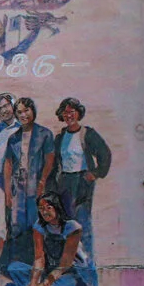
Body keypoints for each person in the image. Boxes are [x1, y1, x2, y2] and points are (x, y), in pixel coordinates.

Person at [15, 192, 97, 286]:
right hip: (51, 271)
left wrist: (44, 285)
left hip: (75, 272)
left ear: (57, 207)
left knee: (63, 285)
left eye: (48, 208)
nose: (44, 212)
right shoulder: (39, 226)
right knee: (15, 268)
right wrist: (33, 283)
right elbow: (39, 258)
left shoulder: (72, 227)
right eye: (41, 208)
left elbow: (65, 264)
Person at [1, 96, 57, 264]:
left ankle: (39, 262)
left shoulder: (44, 134)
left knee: (37, 222)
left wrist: (42, 182)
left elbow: (49, 160)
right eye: (19, 112)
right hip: (18, 186)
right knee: (17, 223)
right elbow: (8, 164)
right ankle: (20, 262)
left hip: (36, 185)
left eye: (26, 110)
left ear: (33, 111)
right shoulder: (14, 138)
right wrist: (7, 192)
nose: (23, 115)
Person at [49, 96, 111, 232]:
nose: (68, 115)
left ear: (78, 113)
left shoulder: (87, 134)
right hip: (65, 181)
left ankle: (87, 253)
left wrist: (96, 173)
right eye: (65, 112)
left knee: (82, 220)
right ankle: (71, 253)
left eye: (72, 112)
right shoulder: (60, 137)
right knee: (67, 220)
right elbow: (55, 163)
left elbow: (104, 153)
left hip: (82, 180)